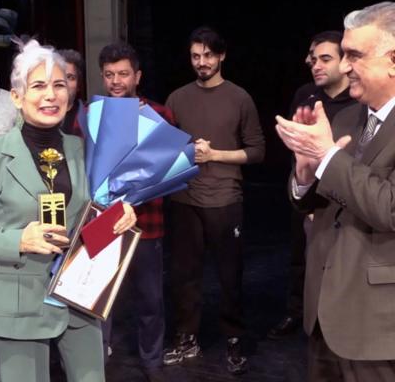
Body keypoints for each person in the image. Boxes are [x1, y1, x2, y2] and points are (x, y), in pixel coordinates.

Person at [0, 39, 136, 382]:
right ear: (16, 97)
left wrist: (119, 216)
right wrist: (18, 240)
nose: (51, 95)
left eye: (59, 85)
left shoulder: (83, 150)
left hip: (77, 298)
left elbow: (92, 221)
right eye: (38, 86)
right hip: (17, 307)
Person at [276, 1, 395, 381]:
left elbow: (389, 208)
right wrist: (305, 174)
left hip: (377, 325)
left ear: (393, 61)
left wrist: (327, 156)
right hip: (323, 315)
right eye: (343, 55)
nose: (343, 67)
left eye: (354, 55)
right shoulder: (344, 118)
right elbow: (323, 202)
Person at [163, 26, 265, 375]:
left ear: (221, 56)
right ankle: (186, 337)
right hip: (184, 198)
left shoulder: (239, 98)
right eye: (195, 56)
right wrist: (187, 152)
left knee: (229, 274)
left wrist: (215, 155)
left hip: (225, 198)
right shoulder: (177, 98)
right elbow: (166, 148)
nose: (201, 62)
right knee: (184, 275)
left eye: (207, 55)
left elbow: (257, 151)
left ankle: (234, 339)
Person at [268, 30, 356, 339]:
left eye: (325, 59)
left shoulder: (358, 102)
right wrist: (302, 186)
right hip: (307, 195)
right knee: (300, 257)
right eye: (314, 59)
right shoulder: (306, 95)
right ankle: (299, 312)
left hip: (345, 202)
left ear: (345, 62)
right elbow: (296, 149)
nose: (316, 65)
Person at [97, 42, 173, 382]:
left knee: (150, 299)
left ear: (137, 76)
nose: (116, 81)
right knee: (100, 297)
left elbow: (168, 168)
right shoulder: (92, 116)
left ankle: (152, 361)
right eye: (109, 74)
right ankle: (96, 357)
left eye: (123, 74)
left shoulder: (159, 114)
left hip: (147, 223)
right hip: (102, 221)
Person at [57, 49, 85, 135]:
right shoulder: (40, 114)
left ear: (78, 85)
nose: (64, 82)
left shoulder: (91, 116)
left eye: (70, 77)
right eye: (60, 76)